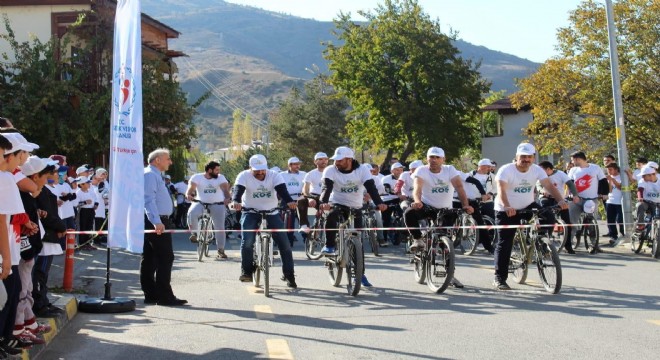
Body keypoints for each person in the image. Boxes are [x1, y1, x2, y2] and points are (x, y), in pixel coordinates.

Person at [492, 143, 568, 290]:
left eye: (529, 157)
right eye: (523, 157)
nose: (526, 159)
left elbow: (549, 186)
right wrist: (507, 206)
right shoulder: (506, 170)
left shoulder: (536, 170)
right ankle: (499, 278)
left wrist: (560, 200)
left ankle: (542, 242)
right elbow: (501, 190)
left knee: (549, 216)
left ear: (533, 158)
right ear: (516, 157)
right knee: (504, 243)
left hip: (527, 205)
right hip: (505, 208)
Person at [403, 147, 473, 288]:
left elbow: (459, 188)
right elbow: (417, 188)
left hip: (445, 210)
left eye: (437, 157)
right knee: (409, 213)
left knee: (446, 243)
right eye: (431, 157)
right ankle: (418, 240)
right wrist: (417, 201)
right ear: (427, 159)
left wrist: (466, 205)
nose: (433, 160)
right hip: (426, 206)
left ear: (443, 159)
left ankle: (450, 275)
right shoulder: (421, 170)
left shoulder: (449, 170)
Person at [319, 146, 387, 287]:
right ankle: (330, 245)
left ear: (349, 159)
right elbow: (327, 187)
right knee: (331, 216)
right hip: (338, 203)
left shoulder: (361, 170)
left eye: (339, 160)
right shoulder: (330, 170)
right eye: (335, 160)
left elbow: (371, 187)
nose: (336, 162)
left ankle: (360, 274)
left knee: (358, 242)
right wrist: (324, 202)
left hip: (356, 207)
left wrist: (379, 203)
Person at [231, 154, 298, 288]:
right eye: (257, 170)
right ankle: (247, 272)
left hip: (271, 212)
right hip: (250, 211)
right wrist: (236, 201)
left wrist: (289, 201)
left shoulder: (274, 175)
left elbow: (282, 191)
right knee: (247, 242)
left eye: (262, 169)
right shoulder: (243, 176)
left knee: (285, 244)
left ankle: (289, 274)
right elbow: (238, 191)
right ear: (250, 168)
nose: (260, 172)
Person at [141, 148, 187, 306]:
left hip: (158, 219)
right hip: (157, 220)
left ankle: (152, 294)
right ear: (157, 160)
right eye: (168, 158)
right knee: (165, 257)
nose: (170, 162)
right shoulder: (149, 174)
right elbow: (148, 199)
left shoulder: (154, 175)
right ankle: (164, 296)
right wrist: (155, 221)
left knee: (151, 257)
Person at [186, 160, 231, 259]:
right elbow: (191, 188)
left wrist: (227, 198)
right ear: (209, 170)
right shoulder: (197, 177)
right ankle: (194, 233)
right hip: (200, 202)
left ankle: (221, 250)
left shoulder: (221, 177)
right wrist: (189, 194)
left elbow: (225, 189)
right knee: (192, 213)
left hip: (217, 204)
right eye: (216, 170)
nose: (218, 172)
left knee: (220, 227)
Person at [567, 151, 608, 254]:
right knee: (572, 222)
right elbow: (570, 183)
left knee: (592, 223)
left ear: (578, 159)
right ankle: (569, 244)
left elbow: (603, 181)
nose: (572, 162)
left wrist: (604, 193)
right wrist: (572, 194)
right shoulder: (573, 170)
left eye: (573, 160)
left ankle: (594, 244)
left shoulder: (595, 168)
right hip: (576, 199)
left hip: (591, 199)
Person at [537, 161, 577, 254]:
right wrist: (542, 191)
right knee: (546, 218)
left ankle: (568, 246)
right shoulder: (541, 176)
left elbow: (570, 184)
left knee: (567, 222)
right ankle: (543, 245)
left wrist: (575, 195)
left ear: (548, 169)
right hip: (546, 198)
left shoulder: (560, 174)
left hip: (560, 199)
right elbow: (538, 185)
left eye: (542, 170)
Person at [279, 157, 306, 246]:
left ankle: (307, 238)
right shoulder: (282, 175)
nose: (298, 166)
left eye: (298, 164)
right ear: (289, 165)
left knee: (303, 219)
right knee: (285, 219)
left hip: (299, 198)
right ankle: (287, 240)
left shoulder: (304, 174)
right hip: (287, 199)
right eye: (295, 164)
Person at [299, 152, 328, 233]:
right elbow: (305, 190)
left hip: (328, 197)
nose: (324, 161)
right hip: (314, 196)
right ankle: (304, 225)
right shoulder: (310, 174)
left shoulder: (332, 172)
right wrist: (309, 199)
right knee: (301, 200)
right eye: (321, 159)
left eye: (326, 159)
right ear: (315, 162)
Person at [380, 162, 404, 246]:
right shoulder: (386, 178)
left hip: (400, 199)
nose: (399, 172)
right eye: (397, 170)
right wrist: (399, 194)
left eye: (401, 170)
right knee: (385, 219)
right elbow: (388, 190)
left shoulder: (405, 177)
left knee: (403, 214)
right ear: (392, 171)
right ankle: (384, 238)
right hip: (388, 199)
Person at [634, 166, 660, 235]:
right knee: (639, 205)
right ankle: (640, 225)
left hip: (658, 203)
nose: (642, 177)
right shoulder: (642, 181)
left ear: (651, 175)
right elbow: (640, 190)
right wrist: (640, 197)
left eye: (644, 176)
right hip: (647, 202)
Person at [604, 162, 625, 246]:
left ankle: (623, 233)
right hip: (610, 200)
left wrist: (612, 180)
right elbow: (610, 190)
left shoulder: (621, 176)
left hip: (619, 201)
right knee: (610, 219)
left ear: (616, 169)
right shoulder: (608, 177)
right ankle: (613, 235)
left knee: (620, 219)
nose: (609, 171)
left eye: (610, 169)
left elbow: (620, 187)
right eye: (608, 170)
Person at [75, 176, 97, 251]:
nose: (89, 184)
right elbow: (76, 203)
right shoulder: (78, 192)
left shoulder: (89, 191)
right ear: (81, 184)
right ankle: (82, 244)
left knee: (89, 227)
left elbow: (95, 199)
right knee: (83, 227)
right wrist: (85, 202)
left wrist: (95, 205)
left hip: (91, 211)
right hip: (83, 211)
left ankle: (88, 243)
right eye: (87, 183)